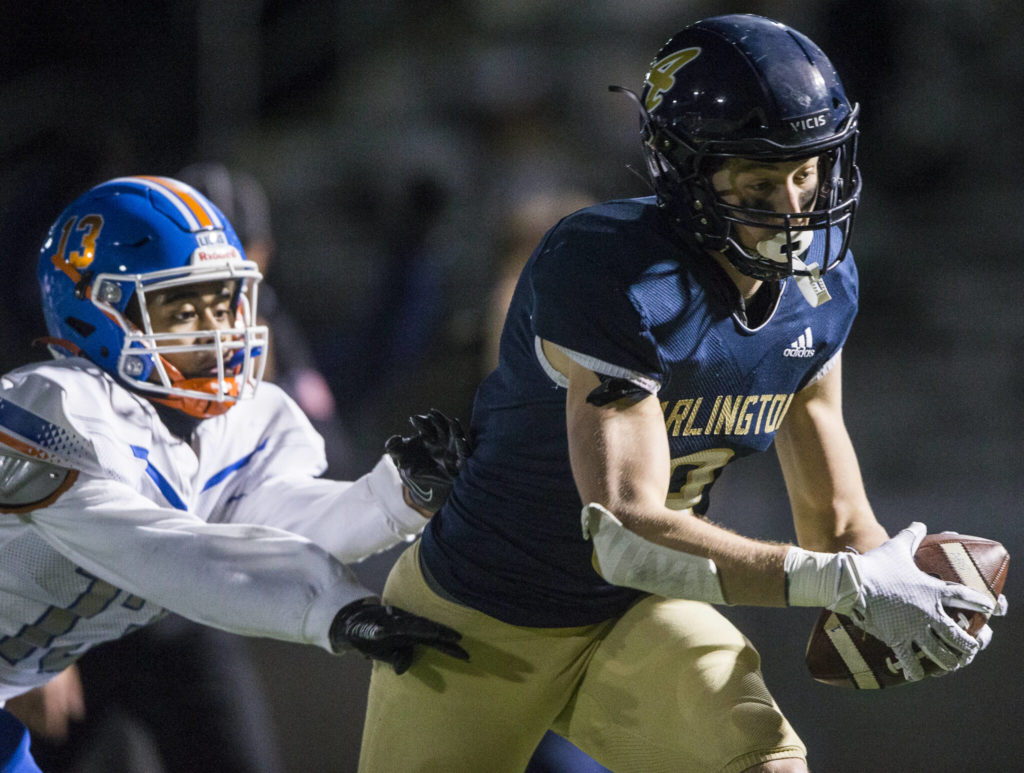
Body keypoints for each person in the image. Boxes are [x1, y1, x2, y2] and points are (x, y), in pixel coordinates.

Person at [357, 14, 1006, 773]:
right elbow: (626, 531)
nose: (797, 208)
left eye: (809, 172)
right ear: (685, 172)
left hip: (636, 615)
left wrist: (903, 595)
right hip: (479, 615)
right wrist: (845, 580)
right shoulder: (604, 268)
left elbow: (834, 516)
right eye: (762, 181)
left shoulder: (823, 289)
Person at [0, 175, 470, 771]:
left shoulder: (232, 423)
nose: (217, 329)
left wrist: (397, 496)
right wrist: (332, 608)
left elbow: (276, 520)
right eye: (182, 307)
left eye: (222, 302)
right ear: (96, 312)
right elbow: (160, 550)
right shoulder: (54, 407)